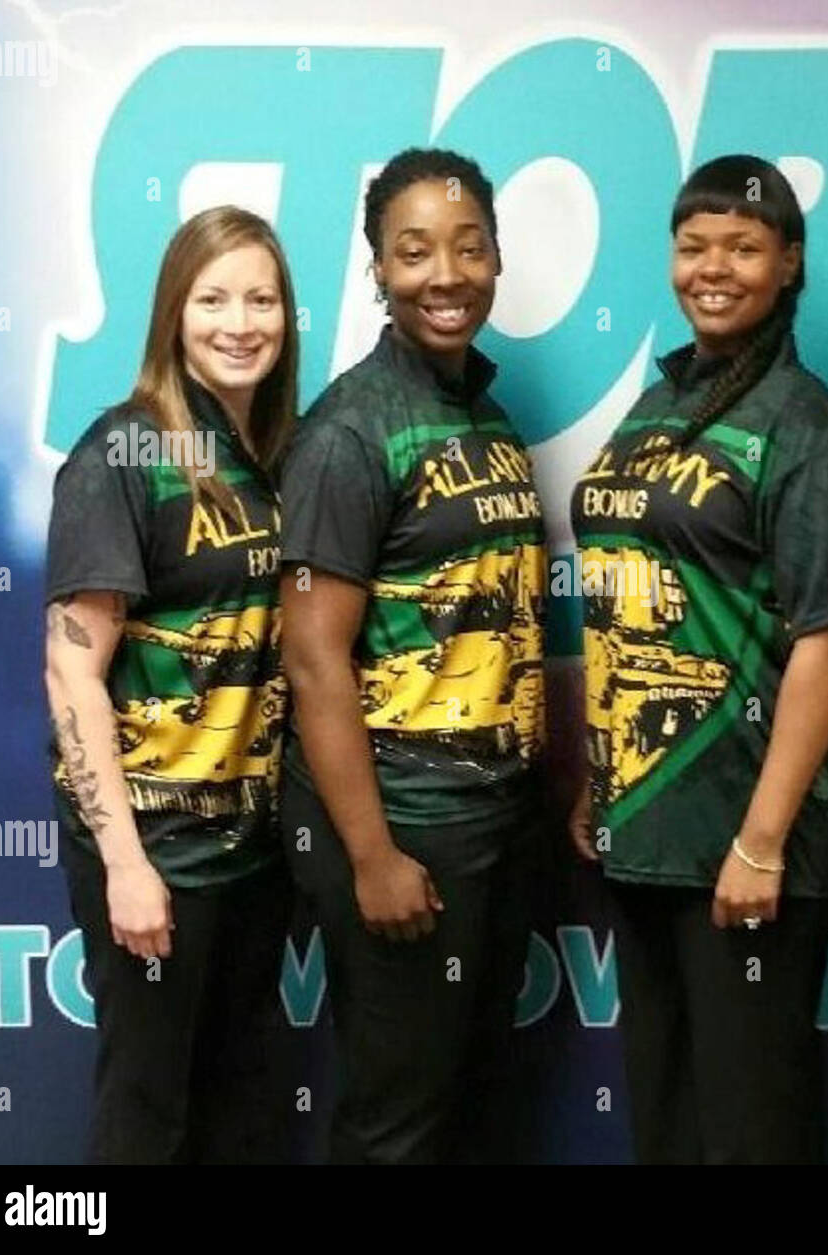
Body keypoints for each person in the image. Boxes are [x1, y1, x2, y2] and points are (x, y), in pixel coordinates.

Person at [569, 154, 828, 1164]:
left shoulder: (800, 425)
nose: (715, 268)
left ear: (789, 264)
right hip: (645, 822)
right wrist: (599, 775)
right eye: (694, 245)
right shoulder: (660, 404)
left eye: (744, 248)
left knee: (750, 1129)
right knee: (664, 1118)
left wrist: (759, 841)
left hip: (747, 843)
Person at [279, 147, 546, 1165]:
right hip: (405, 829)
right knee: (399, 1122)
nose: (446, 273)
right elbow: (313, 663)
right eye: (414, 252)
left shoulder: (482, 412)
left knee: (472, 1102)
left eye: (468, 246)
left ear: (495, 260)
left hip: (489, 822)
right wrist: (372, 856)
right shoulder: (352, 431)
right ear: (378, 272)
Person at [44, 205, 297, 1163]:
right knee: (147, 1125)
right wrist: (126, 865)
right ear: (171, 316)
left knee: (242, 1116)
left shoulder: (276, 456)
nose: (241, 323)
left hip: (251, 856)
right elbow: (74, 668)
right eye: (214, 299)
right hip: (157, 859)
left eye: (262, 299)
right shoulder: (126, 453)